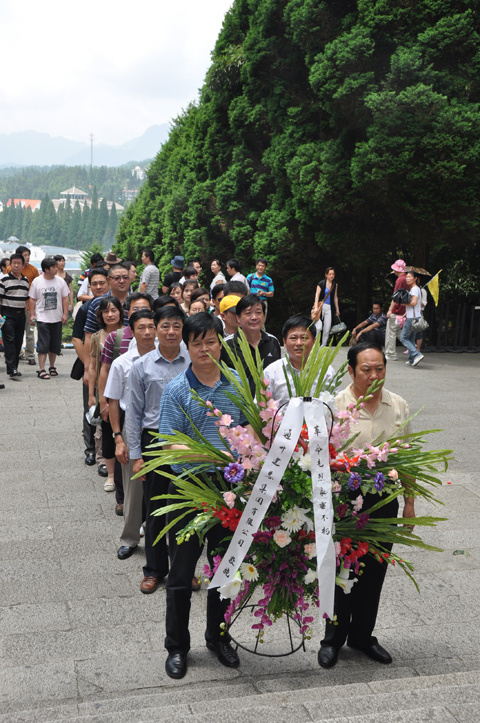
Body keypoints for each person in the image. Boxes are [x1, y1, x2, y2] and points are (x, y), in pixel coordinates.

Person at [318, 342, 415, 669]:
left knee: (373, 573)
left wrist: (409, 504)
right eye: (366, 369)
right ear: (350, 371)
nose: (374, 375)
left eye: (380, 369)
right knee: (341, 572)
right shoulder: (334, 407)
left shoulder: (398, 405)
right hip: (344, 502)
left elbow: (408, 460)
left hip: (384, 501)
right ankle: (332, 639)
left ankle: (362, 636)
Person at [158, 313, 245, 679]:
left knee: (225, 570)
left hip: (228, 490)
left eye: (211, 341)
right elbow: (168, 443)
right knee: (180, 573)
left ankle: (219, 636)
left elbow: (247, 431)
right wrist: (212, 454)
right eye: (197, 343)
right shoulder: (177, 389)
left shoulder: (237, 384)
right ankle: (177, 646)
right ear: (187, 347)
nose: (205, 349)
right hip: (189, 490)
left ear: (221, 343)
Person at [126, 306, 190, 592]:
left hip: (188, 441)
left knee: (186, 509)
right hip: (154, 441)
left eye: (177, 325)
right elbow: (134, 414)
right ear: (156, 328)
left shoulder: (193, 361)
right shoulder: (142, 365)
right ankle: (154, 570)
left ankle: (183, 570)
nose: (171, 331)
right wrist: (136, 456)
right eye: (165, 326)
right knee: (154, 510)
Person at [106, 309, 157, 560]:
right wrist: (118, 438)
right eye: (141, 327)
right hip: (132, 426)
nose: (147, 332)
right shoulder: (122, 363)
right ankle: (129, 537)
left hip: (161, 427)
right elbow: (113, 401)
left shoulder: (169, 359)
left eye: (151, 326)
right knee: (133, 486)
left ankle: (160, 537)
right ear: (132, 332)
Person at [71, 267, 110, 471]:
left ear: (108, 283)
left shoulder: (114, 307)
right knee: (91, 407)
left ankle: (105, 449)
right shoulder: (86, 308)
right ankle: (90, 449)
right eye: (93, 283)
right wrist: (88, 366)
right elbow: (77, 339)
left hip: (110, 366)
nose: (97, 287)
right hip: (93, 365)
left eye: (101, 283)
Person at [88, 297, 125, 493]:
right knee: (108, 432)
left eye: (114, 310)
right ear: (101, 315)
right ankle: (111, 475)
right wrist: (93, 396)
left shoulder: (129, 333)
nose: (110, 314)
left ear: (120, 311)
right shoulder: (96, 337)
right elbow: (93, 368)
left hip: (126, 390)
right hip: (105, 391)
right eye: (106, 311)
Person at [263, 314, 333, 407]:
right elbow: (261, 407)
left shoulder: (327, 371)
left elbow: (334, 405)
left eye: (304, 338)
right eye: (293, 338)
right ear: (284, 342)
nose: (299, 343)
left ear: (314, 342)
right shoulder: (271, 372)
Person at [222, 293, 281, 393]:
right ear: (238, 318)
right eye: (248, 313)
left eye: (258, 313)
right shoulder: (227, 345)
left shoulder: (273, 342)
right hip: (240, 405)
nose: (254, 317)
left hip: (268, 404)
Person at [29, 257, 69, 379]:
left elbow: (65, 298)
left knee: (55, 344)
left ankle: (52, 366)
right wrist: (32, 315)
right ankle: (41, 369)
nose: (56, 269)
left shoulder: (60, 281)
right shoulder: (37, 281)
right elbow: (32, 299)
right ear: (46, 269)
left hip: (56, 318)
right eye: (53, 267)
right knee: (43, 344)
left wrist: (65, 314)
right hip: (42, 318)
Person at [0, 253, 30, 380]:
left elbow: (27, 298)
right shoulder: (4, 280)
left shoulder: (25, 280)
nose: (16, 266)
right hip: (7, 313)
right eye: (14, 263)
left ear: (23, 265)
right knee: (9, 340)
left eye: (19, 263)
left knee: (18, 341)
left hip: (21, 314)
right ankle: (12, 368)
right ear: (10, 265)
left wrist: (29, 313)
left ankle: (14, 367)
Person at [16, 245, 39, 365]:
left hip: (30, 306)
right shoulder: (12, 269)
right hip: (15, 305)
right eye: (25, 255)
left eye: (28, 255)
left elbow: (38, 287)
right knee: (16, 332)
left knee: (30, 332)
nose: (27, 257)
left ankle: (30, 355)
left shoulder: (33, 270)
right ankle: (18, 353)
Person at [385, 259, 408, 361]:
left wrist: (390, 310)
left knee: (391, 331)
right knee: (399, 331)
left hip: (397, 309)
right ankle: (412, 348)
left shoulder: (399, 280)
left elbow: (395, 296)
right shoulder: (408, 278)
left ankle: (390, 354)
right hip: (404, 309)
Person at [400, 271, 424, 367]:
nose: (407, 278)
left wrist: (403, 304)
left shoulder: (414, 289)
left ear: (415, 279)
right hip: (415, 316)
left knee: (403, 338)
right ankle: (411, 359)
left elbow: (413, 303)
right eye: (407, 277)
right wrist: (406, 312)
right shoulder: (416, 289)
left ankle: (416, 354)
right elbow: (416, 305)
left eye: (410, 277)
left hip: (412, 318)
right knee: (411, 338)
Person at [313, 267, 340, 346]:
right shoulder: (321, 283)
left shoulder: (335, 285)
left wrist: (337, 309)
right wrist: (316, 307)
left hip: (329, 308)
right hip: (321, 306)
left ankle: (323, 345)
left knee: (327, 328)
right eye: (330, 274)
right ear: (326, 275)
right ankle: (315, 344)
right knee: (318, 327)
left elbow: (335, 297)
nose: (331, 276)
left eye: (333, 274)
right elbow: (317, 295)